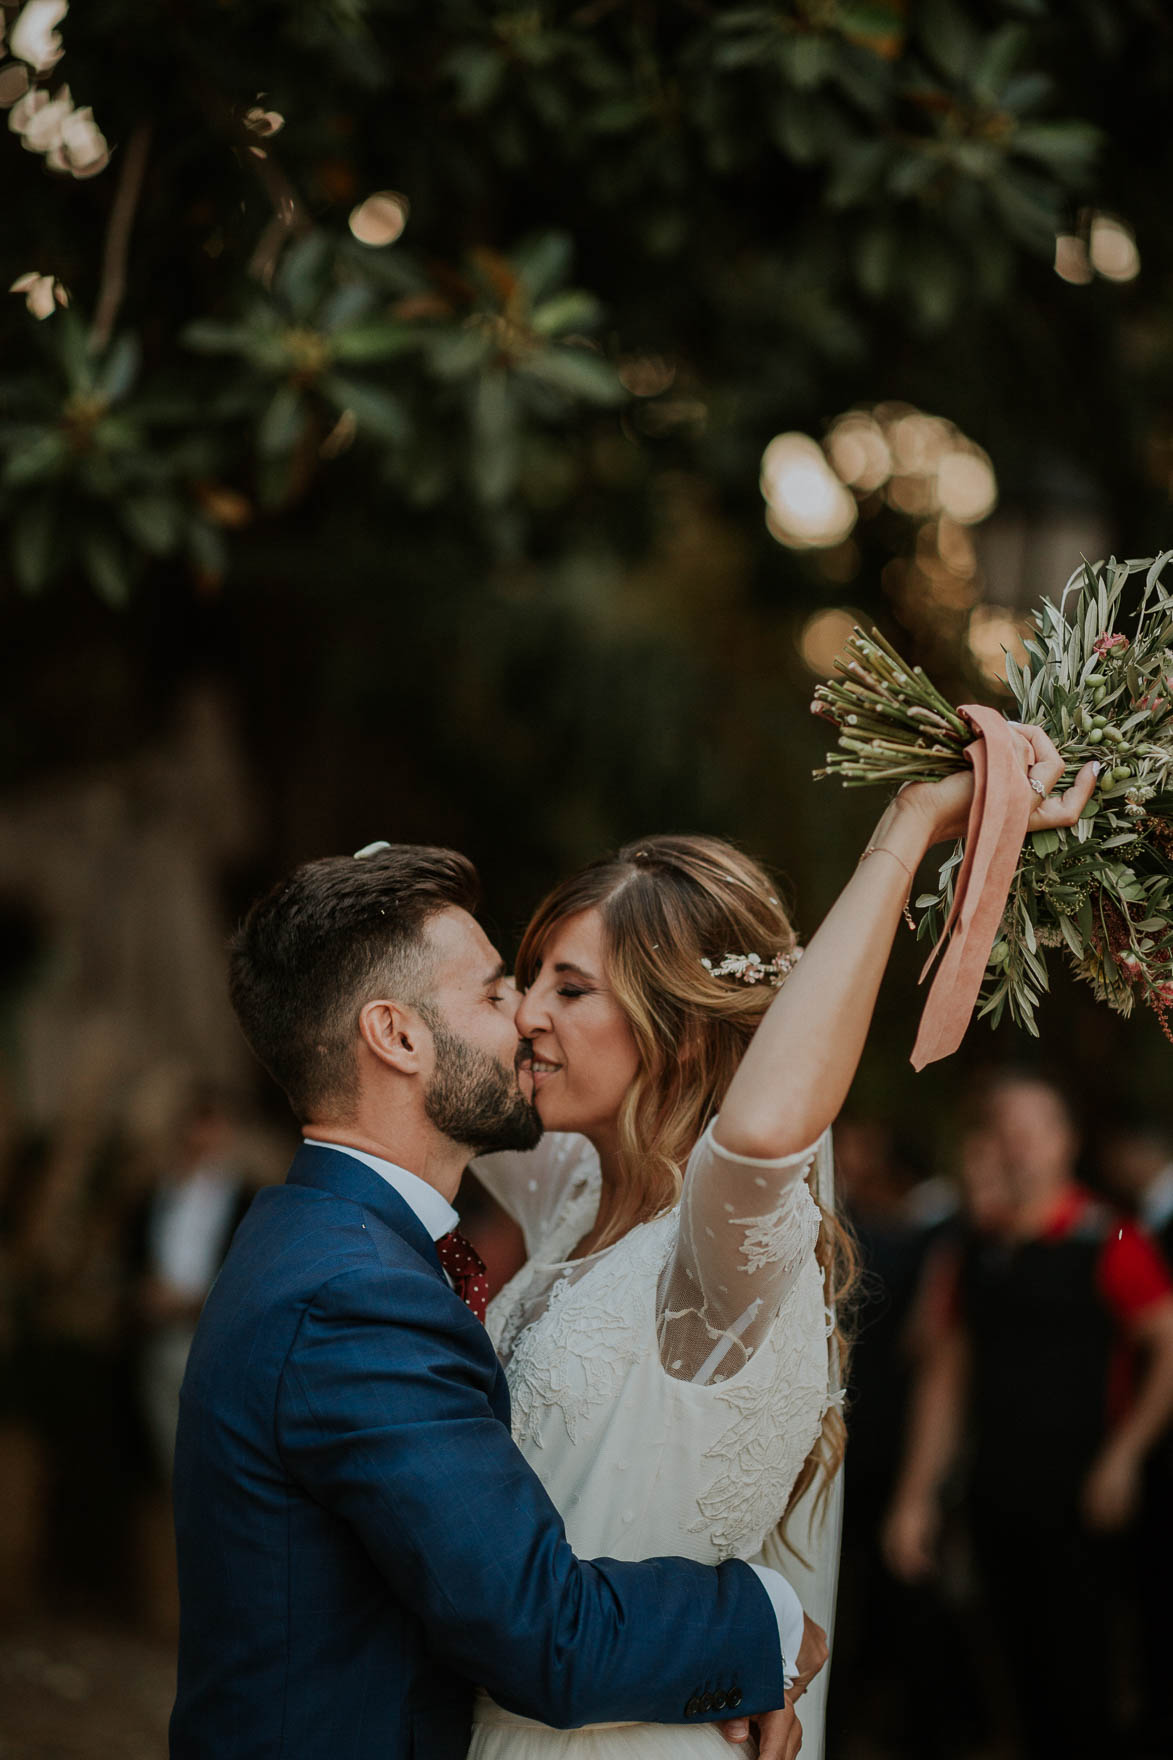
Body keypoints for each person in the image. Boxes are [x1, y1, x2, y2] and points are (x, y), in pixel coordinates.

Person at [464, 724, 1100, 1760]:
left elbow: (760, 1128)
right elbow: (399, 998)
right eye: (523, 976)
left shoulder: (720, 1257)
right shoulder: (571, 1192)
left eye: (568, 987)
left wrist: (912, 825)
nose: (524, 1012)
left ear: (676, 1024)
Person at [170, 845, 816, 1760]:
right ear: (396, 1037)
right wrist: (767, 1619)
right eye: (492, 993)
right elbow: (538, 1631)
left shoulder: (326, 1241)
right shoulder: (354, 1292)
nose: (524, 1016)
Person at [883, 1073, 1173, 1760]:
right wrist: (914, 1496)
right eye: (1002, 1129)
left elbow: (1168, 1344)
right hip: (994, 1493)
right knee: (1010, 1677)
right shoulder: (973, 1248)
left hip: (1082, 1496)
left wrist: (1124, 1456)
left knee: (1084, 1677)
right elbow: (942, 1378)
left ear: (1064, 1142)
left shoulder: (1106, 1237)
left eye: (1032, 1129)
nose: (1016, 1147)